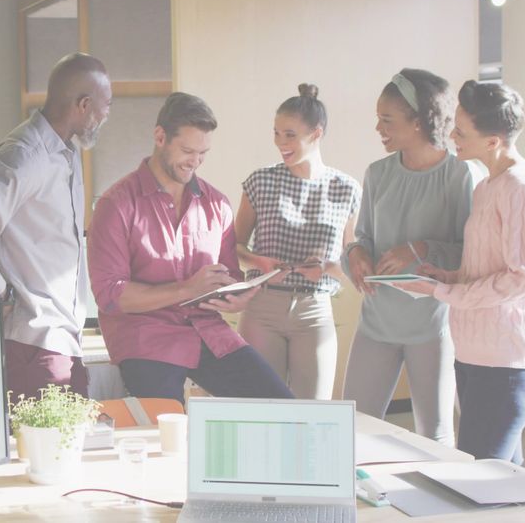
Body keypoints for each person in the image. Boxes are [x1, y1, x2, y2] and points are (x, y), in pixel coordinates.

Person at [88, 91, 293, 404]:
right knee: (168, 428)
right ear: (160, 137)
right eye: (187, 150)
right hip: (146, 337)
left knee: (282, 406)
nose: (195, 162)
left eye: (203, 153)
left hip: (209, 333)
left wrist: (240, 295)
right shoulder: (115, 204)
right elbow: (111, 296)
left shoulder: (217, 204)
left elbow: (229, 274)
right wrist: (185, 289)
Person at [397, 81, 525, 464]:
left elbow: (524, 277)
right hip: (476, 356)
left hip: (510, 364)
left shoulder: (520, 187)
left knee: (478, 480)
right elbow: (489, 268)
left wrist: (445, 294)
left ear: (493, 141)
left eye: (461, 131)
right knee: (503, 483)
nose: (451, 135)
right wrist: (447, 278)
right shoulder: (487, 186)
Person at [0, 53, 111, 401]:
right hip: (36, 344)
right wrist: (0, 292)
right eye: (104, 105)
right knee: (48, 452)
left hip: (61, 340)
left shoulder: (66, 151)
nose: (106, 115)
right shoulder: (25, 156)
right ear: (83, 104)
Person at [341, 69, 478, 445]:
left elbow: (470, 257)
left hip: (433, 326)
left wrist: (420, 247)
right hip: (376, 323)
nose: (378, 128)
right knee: (351, 429)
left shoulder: (459, 175)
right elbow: (363, 237)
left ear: (418, 122)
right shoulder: (378, 173)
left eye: (387, 120)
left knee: (434, 435)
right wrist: (355, 255)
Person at [233, 84, 360, 399]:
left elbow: (352, 259)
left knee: (313, 413)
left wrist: (328, 269)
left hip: (315, 310)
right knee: (261, 410)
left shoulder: (347, 189)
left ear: (316, 133)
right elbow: (233, 248)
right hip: (262, 306)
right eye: (276, 133)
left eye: (289, 135)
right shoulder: (260, 181)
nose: (280, 143)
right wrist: (258, 262)